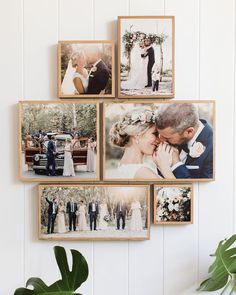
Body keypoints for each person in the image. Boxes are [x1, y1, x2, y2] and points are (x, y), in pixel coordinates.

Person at [109, 109, 176, 179]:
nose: (159, 140)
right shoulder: (142, 172)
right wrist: (165, 168)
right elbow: (177, 190)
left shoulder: (123, 167)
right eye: (155, 134)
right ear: (137, 134)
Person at [155, 103, 213, 178]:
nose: (161, 140)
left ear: (189, 132)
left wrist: (176, 163)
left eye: (167, 138)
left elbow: (201, 188)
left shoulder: (213, 149)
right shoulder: (174, 135)